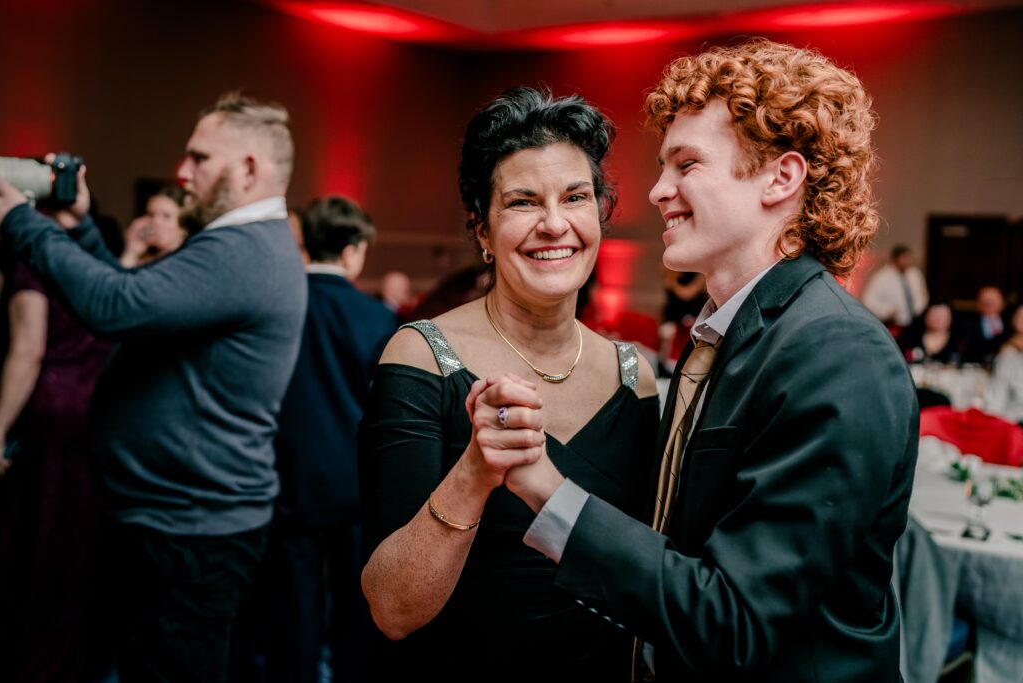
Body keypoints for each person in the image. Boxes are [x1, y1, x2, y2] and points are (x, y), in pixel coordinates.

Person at [490, 40, 918, 681]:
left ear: (782, 176)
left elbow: (737, 620)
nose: (660, 190)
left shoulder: (837, 354)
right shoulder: (727, 333)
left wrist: (545, 487)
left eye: (687, 165)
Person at [0, 92, 308, 682]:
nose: (182, 171)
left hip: (190, 530)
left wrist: (21, 222)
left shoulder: (241, 252)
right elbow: (139, 302)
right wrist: (82, 229)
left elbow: (114, 307)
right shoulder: (236, 245)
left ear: (248, 168)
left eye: (199, 157)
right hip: (178, 522)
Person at [358, 87, 660, 681]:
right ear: (482, 229)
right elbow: (392, 609)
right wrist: (474, 472)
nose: (555, 224)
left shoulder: (636, 377)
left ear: (598, 214)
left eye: (575, 197)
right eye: (523, 202)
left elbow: (642, 573)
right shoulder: (422, 357)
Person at [260, 195, 396, 683]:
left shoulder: (277, 307)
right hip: (354, 485)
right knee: (356, 618)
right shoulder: (377, 318)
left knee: (291, 615)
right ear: (353, 250)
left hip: (286, 479)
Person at [0, 212, 112, 680]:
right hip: (95, 407)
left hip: (50, 412)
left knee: (37, 541)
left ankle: (35, 660)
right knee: (75, 540)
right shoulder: (90, 259)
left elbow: (29, 348)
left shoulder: (34, 263)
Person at [861, 243, 928, 334]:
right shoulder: (882, 277)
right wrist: (887, 311)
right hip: (893, 323)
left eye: (909, 258)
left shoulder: (915, 274)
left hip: (915, 321)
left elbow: (922, 295)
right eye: (904, 258)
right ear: (895, 259)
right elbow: (868, 301)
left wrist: (919, 309)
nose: (908, 261)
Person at [120, 184, 189, 267]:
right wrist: (132, 252)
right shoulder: (144, 261)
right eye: (151, 214)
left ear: (184, 225)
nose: (155, 221)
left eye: (166, 216)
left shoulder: (186, 263)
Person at [985, 303, 1023, 424]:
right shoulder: (1008, 353)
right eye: (1018, 315)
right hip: (1013, 419)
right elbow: (996, 396)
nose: (1020, 319)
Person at [899, 300, 965, 364]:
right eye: (935, 315)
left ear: (951, 318)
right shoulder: (911, 336)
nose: (938, 320)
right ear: (926, 316)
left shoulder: (960, 340)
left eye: (943, 316)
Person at [961, 285, 1009, 365]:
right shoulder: (967, 325)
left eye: (993, 300)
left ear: (1002, 302)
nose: (989, 303)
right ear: (977, 303)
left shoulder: (1011, 323)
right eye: (985, 300)